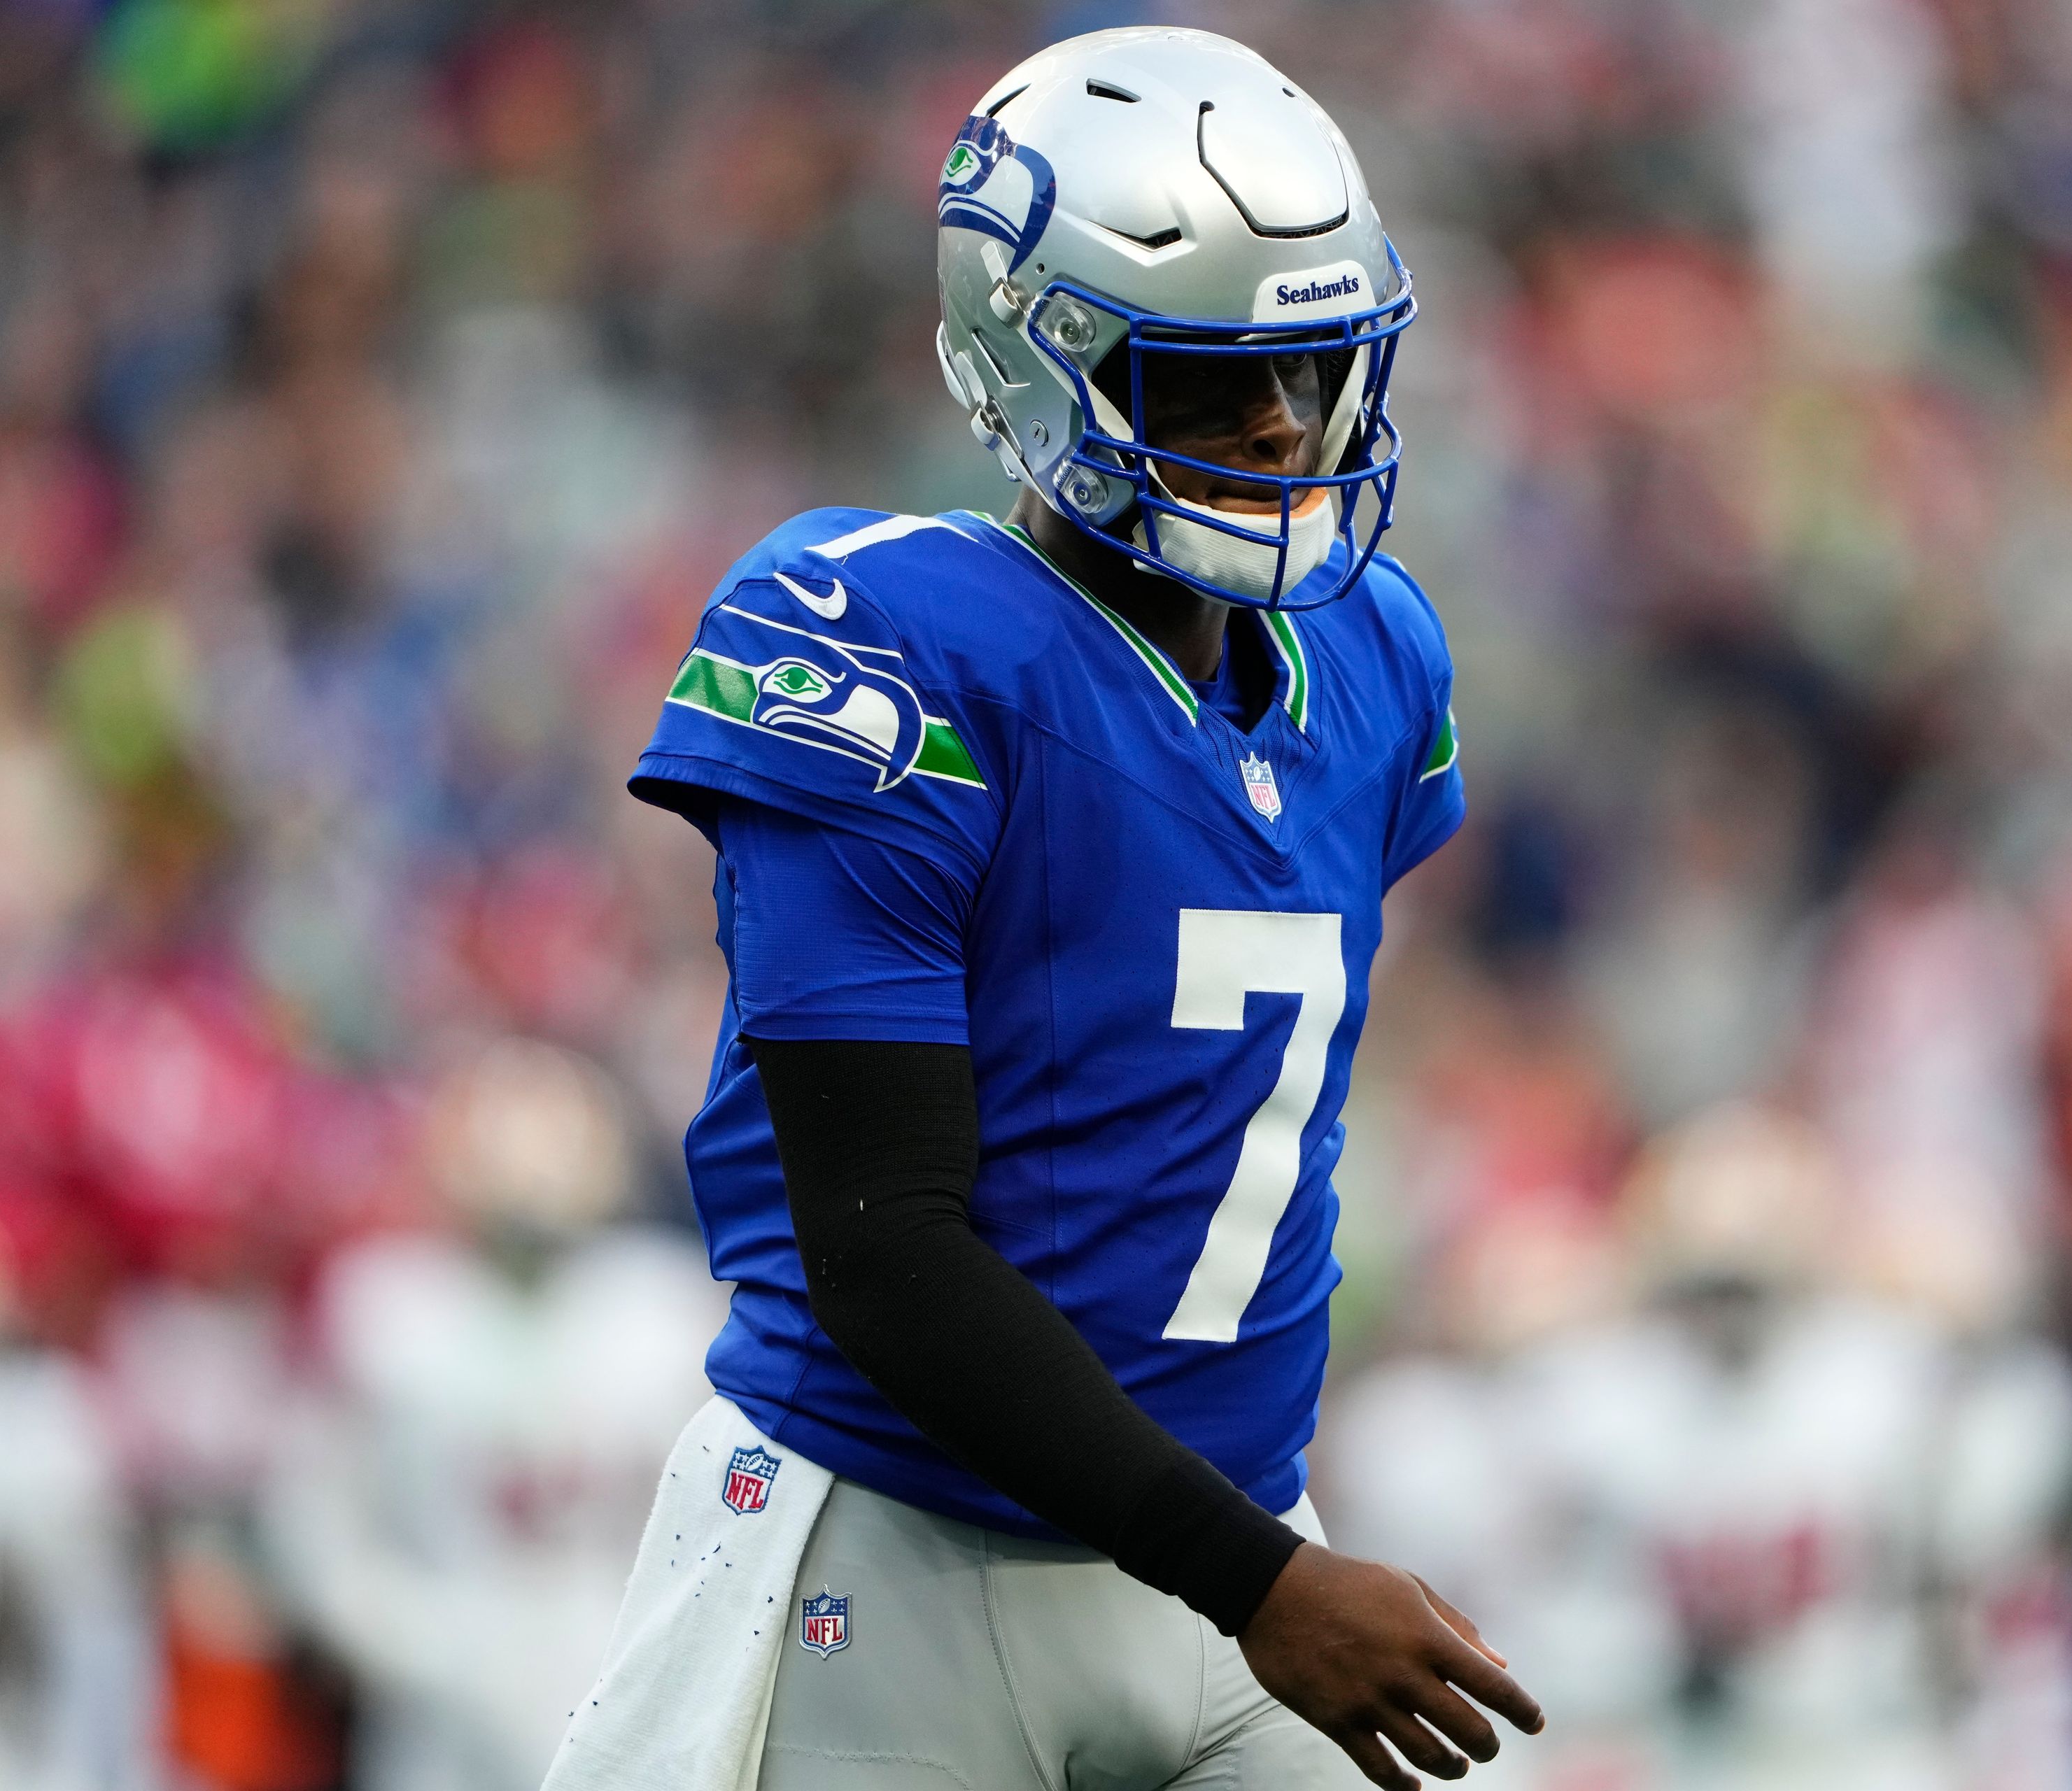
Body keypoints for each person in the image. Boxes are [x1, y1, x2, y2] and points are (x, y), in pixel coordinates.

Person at [544, 27, 1539, 1791]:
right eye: (1210, 382)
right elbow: (885, 1250)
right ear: (1042, 369)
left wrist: (1261, 1562)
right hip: (893, 1550)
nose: (1281, 430)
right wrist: (1266, 1581)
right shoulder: (876, 639)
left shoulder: (1378, 651)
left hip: (1236, 1548)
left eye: (1311, 372)